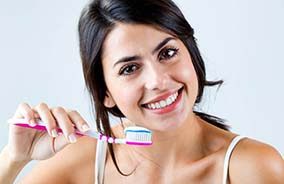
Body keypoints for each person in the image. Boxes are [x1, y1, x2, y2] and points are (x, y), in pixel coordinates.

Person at [0, 0, 283, 183]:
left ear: (192, 54)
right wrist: (13, 159)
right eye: (129, 69)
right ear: (104, 92)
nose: (158, 80)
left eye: (168, 53)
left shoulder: (253, 167)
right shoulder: (79, 162)